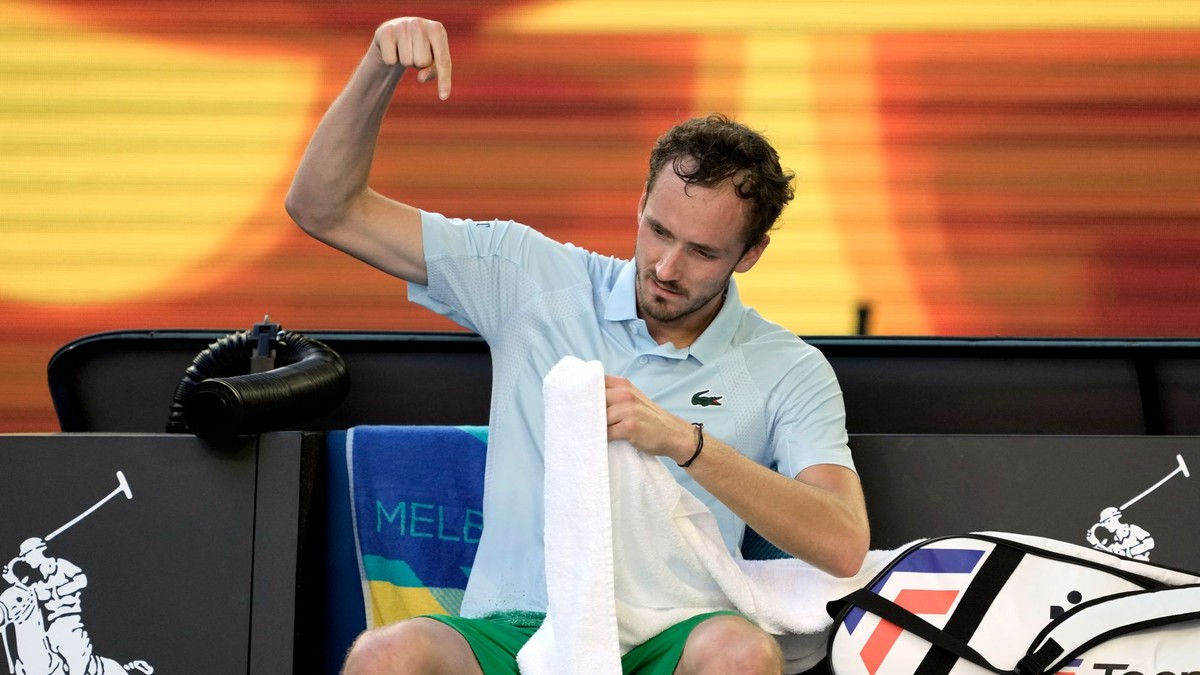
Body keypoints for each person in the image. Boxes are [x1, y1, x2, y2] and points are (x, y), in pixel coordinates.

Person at [287, 16, 869, 675]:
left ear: (751, 253)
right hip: (512, 627)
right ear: (641, 200)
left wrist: (685, 441)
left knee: (741, 653)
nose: (668, 266)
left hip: (674, 634)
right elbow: (321, 207)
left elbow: (844, 541)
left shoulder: (789, 367)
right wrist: (377, 69)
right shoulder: (528, 274)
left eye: (703, 251)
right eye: (658, 230)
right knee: (386, 654)